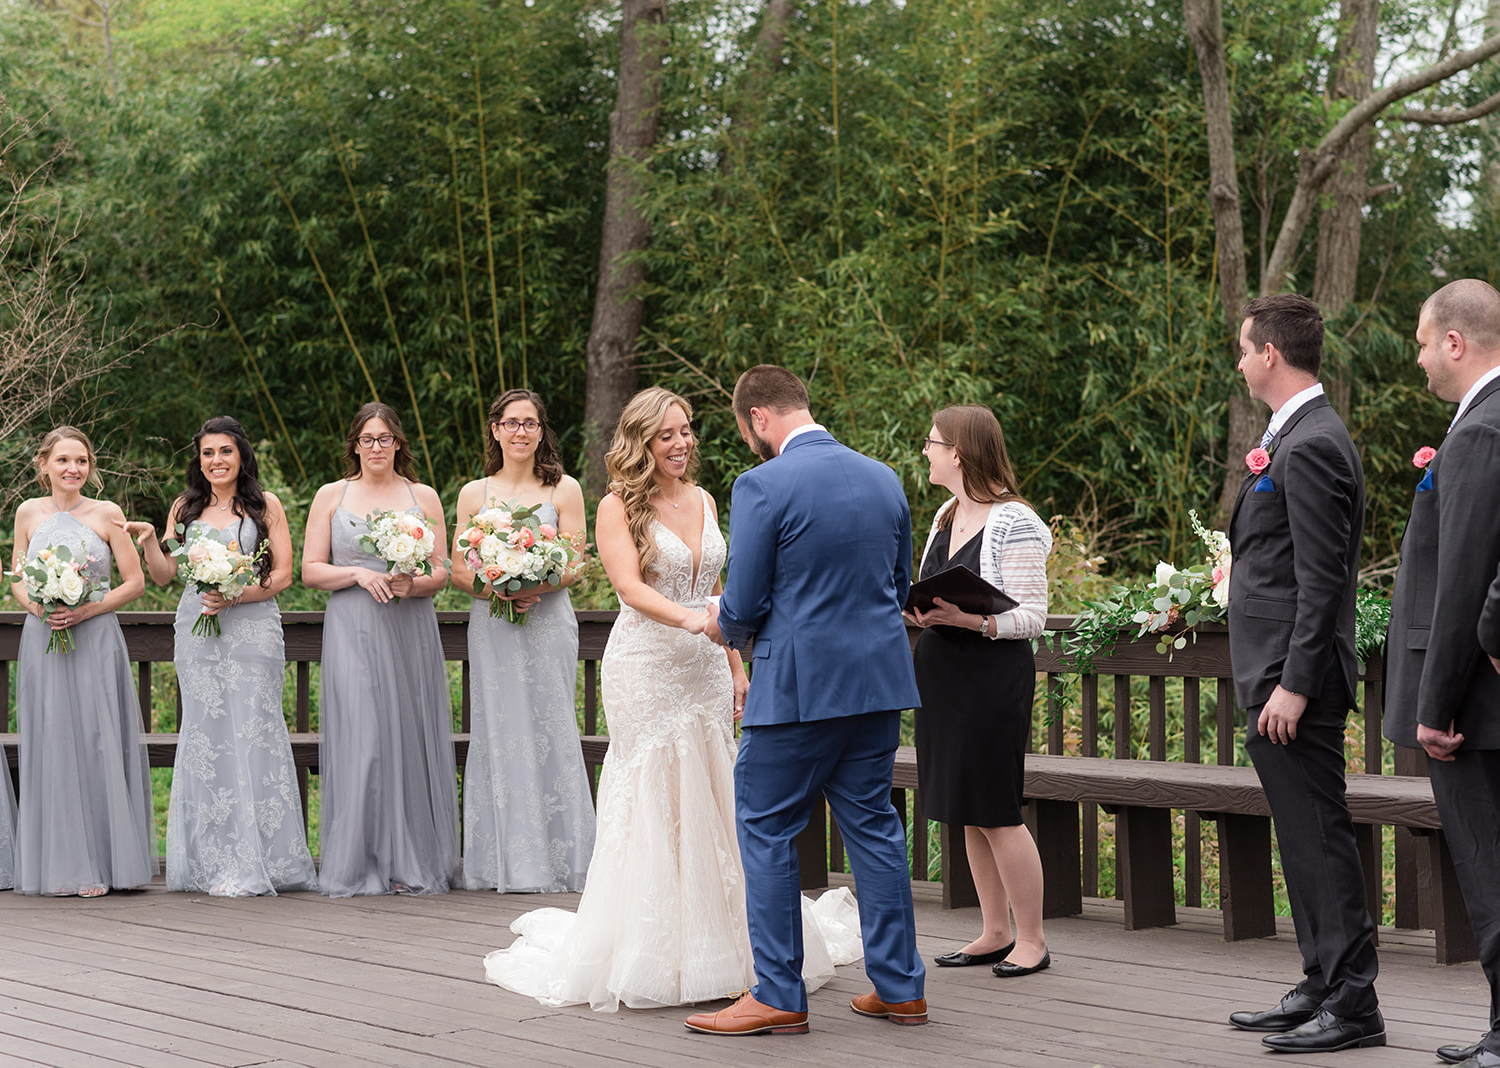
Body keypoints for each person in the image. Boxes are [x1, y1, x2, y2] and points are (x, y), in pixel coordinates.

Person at [483, 387, 857, 1012]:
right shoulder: (616, 507)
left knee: (715, 790)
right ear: (641, 443)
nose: (681, 444)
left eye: (687, 431)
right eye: (667, 436)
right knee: (656, 794)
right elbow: (629, 587)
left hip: (708, 663)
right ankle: (655, 947)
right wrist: (692, 623)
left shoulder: (708, 498)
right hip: (648, 666)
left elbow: (717, 583)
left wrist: (734, 661)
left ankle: (735, 943)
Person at [689, 365, 926, 1036]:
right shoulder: (883, 477)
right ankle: (902, 986)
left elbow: (746, 599)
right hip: (877, 684)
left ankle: (778, 994)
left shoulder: (761, 484)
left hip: (797, 690)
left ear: (759, 418)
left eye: (745, 429)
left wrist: (724, 625)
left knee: (764, 829)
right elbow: (898, 581)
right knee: (875, 829)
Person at [1224, 294, 1382, 1053]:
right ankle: (1321, 981)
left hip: (1297, 684)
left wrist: (1293, 681)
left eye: (1244, 348)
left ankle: (1354, 1004)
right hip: (1275, 675)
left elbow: (1324, 583)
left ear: (1271, 355)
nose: (1240, 359)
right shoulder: (1289, 436)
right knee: (1302, 839)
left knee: (1321, 839)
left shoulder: (1313, 443)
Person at [118, 416, 316, 896]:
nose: (216, 461)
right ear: (199, 459)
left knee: (254, 729)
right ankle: (212, 858)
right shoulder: (185, 506)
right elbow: (167, 575)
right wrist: (148, 542)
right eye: (208, 453)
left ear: (241, 455)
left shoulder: (264, 505)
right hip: (198, 630)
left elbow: (285, 574)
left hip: (251, 630)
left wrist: (234, 595)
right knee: (207, 734)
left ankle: (268, 860)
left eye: (225, 451)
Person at [1384, 279, 1500, 1068]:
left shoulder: (1483, 430)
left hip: (1477, 706)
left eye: (1423, 342)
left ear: (1455, 342)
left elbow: (1465, 576)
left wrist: (1437, 704)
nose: (1420, 358)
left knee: (1491, 871)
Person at [907, 405, 1052, 977]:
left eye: (932, 442)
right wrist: (922, 613)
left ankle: (1033, 940)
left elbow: (1034, 617)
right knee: (965, 809)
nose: (926, 450)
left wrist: (975, 622)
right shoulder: (945, 513)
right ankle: (994, 931)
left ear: (959, 453)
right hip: (943, 674)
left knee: (996, 809)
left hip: (991, 677)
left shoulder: (1016, 521)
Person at [302, 402, 458, 897]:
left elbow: (442, 570)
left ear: (398, 445)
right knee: (364, 739)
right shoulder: (332, 495)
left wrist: (417, 585)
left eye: (385, 439)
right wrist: (357, 573)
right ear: (354, 444)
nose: (376, 447)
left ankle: (407, 859)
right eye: (367, 439)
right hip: (353, 626)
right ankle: (359, 859)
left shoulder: (423, 496)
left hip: (407, 627)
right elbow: (309, 571)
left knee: (407, 737)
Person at [452, 389, 595, 893]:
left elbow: (575, 562)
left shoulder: (565, 489)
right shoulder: (475, 493)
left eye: (530, 423)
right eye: (511, 423)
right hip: (493, 623)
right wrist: (498, 587)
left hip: (549, 620)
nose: (520, 432)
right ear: (495, 430)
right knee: (500, 727)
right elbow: (455, 570)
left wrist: (535, 583)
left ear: (541, 431)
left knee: (552, 723)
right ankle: (502, 861)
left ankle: (562, 858)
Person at [9, 426, 158, 897]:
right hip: (44, 638)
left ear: (90, 468)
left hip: (94, 638)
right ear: (44, 465)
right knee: (53, 740)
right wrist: (37, 605)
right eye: (63, 461)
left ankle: (104, 862)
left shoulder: (108, 513)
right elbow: (16, 575)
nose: (73, 469)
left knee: (97, 740)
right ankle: (63, 864)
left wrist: (86, 608)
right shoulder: (27, 513)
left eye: (82, 461)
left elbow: (134, 582)